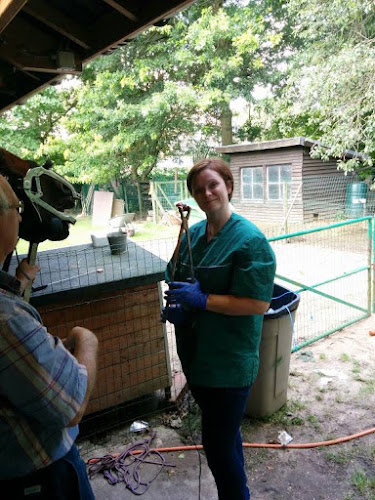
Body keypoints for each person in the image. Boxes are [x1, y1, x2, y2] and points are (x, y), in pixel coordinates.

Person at [164, 158, 276, 500]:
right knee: (226, 437)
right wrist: (181, 304)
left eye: (213, 184)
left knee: (217, 445)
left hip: (228, 363)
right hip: (197, 358)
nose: (206, 193)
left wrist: (203, 299)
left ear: (228, 186)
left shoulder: (249, 240)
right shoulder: (193, 232)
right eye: (198, 189)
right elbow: (175, 271)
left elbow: (258, 304)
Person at [0, 174, 98, 499]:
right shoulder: (6, 319)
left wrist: (17, 283)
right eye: (17, 206)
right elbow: (72, 405)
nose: (22, 213)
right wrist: (86, 341)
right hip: (41, 477)